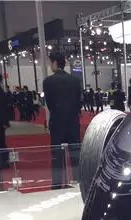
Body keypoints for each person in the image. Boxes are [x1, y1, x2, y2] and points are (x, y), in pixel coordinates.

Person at [42, 52, 82, 188]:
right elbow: (78, 102)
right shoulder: (75, 81)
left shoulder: (48, 82)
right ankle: (78, 181)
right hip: (73, 122)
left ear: (54, 63)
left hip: (57, 121)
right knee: (75, 154)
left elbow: (49, 103)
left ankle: (57, 184)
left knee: (57, 155)